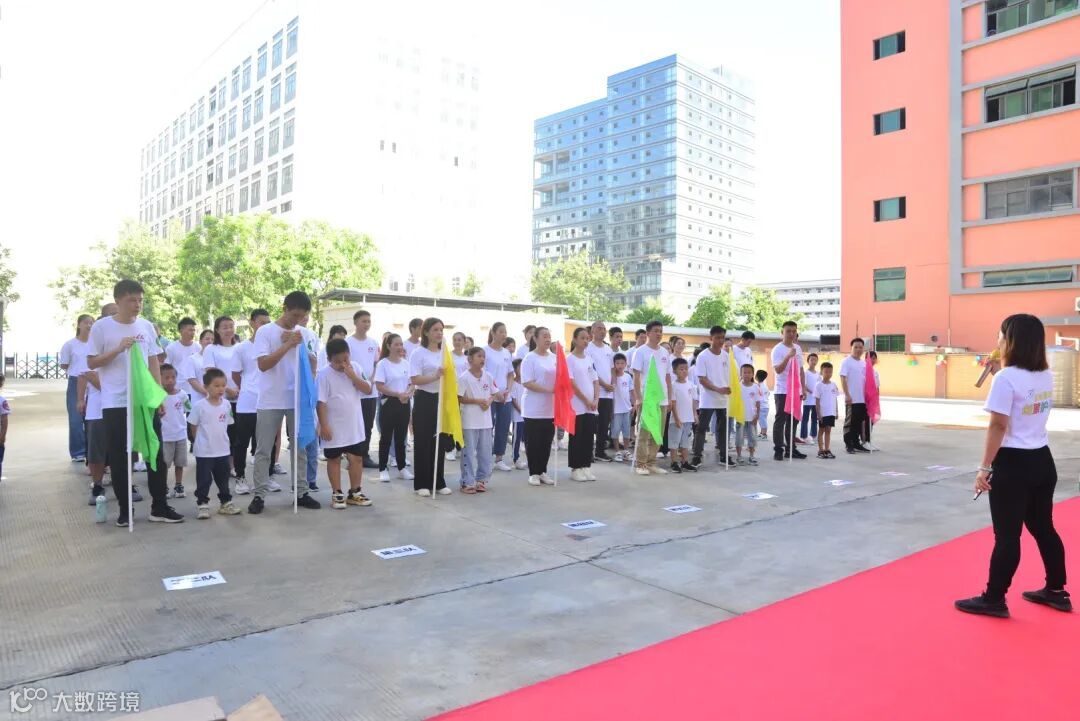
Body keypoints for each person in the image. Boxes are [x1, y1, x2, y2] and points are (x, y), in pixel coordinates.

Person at [955, 314, 1070, 618]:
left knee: (1007, 536)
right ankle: (1057, 590)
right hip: (1042, 460)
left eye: (1000, 335)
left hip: (1013, 464)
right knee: (1044, 528)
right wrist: (999, 374)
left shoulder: (1006, 378)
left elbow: (998, 425)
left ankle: (994, 598)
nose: (997, 340)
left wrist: (984, 467)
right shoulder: (1045, 374)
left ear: (1011, 341)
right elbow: (1023, 402)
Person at [86, 280, 183, 526]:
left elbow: (153, 363)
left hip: (144, 400)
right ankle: (124, 509)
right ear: (118, 300)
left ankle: (159, 506)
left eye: (140, 300)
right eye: (132, 300)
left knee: (155, 452)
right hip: (115, 401)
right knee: (121, 456)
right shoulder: (102, 327)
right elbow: (92, 362)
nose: (137, 305)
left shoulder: (146, 326)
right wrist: (118, 349)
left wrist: (158, 395)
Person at [248, 291, 321, 514]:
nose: (297, 320)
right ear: (285, 308)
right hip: (270, 399)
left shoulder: (305, 333)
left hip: (297, 398)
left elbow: (313, 364)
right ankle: (259, 494)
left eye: (302, 316)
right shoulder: (265, 332)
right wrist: (287, 345)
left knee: (300, 447)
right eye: (294, 315)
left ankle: (301, 491)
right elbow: (263, 365)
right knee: (264, 449)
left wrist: (302, 348)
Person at [316, 337, 374, 509]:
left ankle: (355, 492)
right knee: (334, 459)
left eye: (345, 359)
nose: (342, 364)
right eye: (337, 361)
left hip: (354, 424)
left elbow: (368, 389)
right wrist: (324, 425)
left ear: (349, 355)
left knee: (356, 458)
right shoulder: (323, 374)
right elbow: (321, 402)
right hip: (333, 425)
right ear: (329, 360)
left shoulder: (356, 368)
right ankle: (337, 493)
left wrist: (353, 376)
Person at [186, 367, 241, 519]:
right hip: (204, 452)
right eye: (216, 386)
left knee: (223, 479)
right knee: (204, 480)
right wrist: (198, 441)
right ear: (206, 387)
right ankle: (203, 504)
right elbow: (193, 425)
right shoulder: (199, 406)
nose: (221, 389)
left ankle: (226, 503)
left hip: (222, 450)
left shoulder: (227, 405)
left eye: (223, 385)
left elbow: (227, 424)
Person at [409, 317, 454, 497]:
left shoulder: (444, 353)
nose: (439, 333)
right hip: (424, 399)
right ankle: (422, 483)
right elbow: (415, 379)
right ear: (426, 332)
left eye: (441, 330)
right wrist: (435, 376)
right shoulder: (418, 353)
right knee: (423, 441)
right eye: (435, 329)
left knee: (439, 441)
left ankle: (438, 481)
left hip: (441, 399)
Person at [231, 309, 271, 494]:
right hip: (247, 402)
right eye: (262, 322)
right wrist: (247, 387)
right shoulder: (241, 348)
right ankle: (240, 477)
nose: (265, 326)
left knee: (265, 443)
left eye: (268, 323)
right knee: (242, 443)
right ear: (252, 323)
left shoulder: (272, 347)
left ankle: (265, 478)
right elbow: (235, 374)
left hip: (267, 401)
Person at [631, 320, 673, 476]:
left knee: (658, 433)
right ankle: (641, 464)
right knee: (644, 433)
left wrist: (669, 398)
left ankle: (651, 463)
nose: (659, 334)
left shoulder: (665, 353)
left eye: (660, 331)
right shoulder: (640, 352)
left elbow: (667, 377)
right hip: (647, 398)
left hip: (662, 399)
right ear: (648, 333)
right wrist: (638, 397)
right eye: (655, 331)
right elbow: (636, 376)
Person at [202, 317, 242, 475]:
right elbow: (211, 373)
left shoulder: (239, 347)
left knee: (235, 433)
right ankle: (216, 464)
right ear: (217, 330)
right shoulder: (211, 349)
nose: (229, 330)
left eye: (231, 326)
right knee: (219, 432)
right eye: (224, 327)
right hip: (219, 399)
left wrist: (239, 388)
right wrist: (227, 389)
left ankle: (232, 466)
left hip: (240, 397)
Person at [692, 326, 736, 469]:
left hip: (723, 399)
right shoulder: (703, 356)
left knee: (723, 428)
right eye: (717, 338)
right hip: (708, 398)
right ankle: (697, 456)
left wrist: (729, 389)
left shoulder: (726, 356)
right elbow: (702, 379)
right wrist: (718, 389)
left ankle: (724, 455)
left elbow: (730, 376)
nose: (720, 341)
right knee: (702, 428)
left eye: (722, 338)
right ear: (711, 338)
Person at [374, 333, 414, 481]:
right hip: (389, 402)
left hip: (404, 402)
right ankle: (383, 468)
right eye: (396, 344)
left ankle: (402, 467)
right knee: (386, 436)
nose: (399, 347)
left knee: (401, 437)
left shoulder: (406, 364)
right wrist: (397, 394)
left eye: (401, 344)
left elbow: (412, 383)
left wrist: (407, 394)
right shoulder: (383, 364)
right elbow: (379, 386)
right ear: (388, 346)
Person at [520, 327, 557, 486]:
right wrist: (549, 390)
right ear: (535, 338)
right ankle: (533, 472)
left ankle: (542, 471)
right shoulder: (529, 358)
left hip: (550, 408)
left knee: (546, 441)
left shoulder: (554, 358)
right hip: (533, 408)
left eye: (549, 336)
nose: (548, 339)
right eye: (544, 336)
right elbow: (527, 382)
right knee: (534, 442)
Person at [345, 311, 381, 470]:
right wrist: (356, 380)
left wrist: (371, 380)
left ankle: (364, 455)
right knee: (353, 425)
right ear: (355, 322)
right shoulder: (348, 342)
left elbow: (376, 364)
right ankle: (351, 456)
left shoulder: (373, 343)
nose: (366, 324)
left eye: (368, 321)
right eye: (363, 321)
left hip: (370, 391)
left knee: (367, 425)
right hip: (354, 391)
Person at [458, 346, 495, 493]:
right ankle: (467, 482)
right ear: (470, 359)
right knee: (468, 452)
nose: (482, 359)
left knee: (485, 452)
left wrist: (488, 402)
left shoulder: (488, 376)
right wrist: (478, 401)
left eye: (483, 356)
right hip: (469, 421)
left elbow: (493, 393)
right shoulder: (464, 378)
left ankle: (481, 479)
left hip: (485, 421)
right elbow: (459, 398)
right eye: (479, 356)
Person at [566, 327, 599, 482]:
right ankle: (576, 468)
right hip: (577, 405)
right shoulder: (570, 359)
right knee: (576, 437)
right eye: (582, 338)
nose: (586, 341)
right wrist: (586, 400)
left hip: (591, 406)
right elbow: (571, 383)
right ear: (575, 339)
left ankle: (586, 466)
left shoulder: (589, 358)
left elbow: (595, 380)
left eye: (587, 338)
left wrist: (596, 399)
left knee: (588, 436)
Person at [771, 320, 807, 461]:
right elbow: (778, 370)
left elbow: (801, 370)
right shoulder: (777, 349)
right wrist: (788, 356)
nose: (791, 334)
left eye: (794, 331)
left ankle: (791, 449)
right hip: (783, 390)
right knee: (781, 420)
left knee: (793, 420)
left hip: (796, 391)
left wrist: (803, 388)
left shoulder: (798, 348)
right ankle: (778, 449)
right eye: (788, 331)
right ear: (782, 333)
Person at [60, 314, 94, 462]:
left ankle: (91, 450)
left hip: (93, 381)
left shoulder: (95, 344)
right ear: (79, 325)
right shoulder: (70, 345)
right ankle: (78, 451)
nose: (89, 325)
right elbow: (64, 364)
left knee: (92, 418)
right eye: (86, 323)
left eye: (92, 323)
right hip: (75, 380)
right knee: (75, 418)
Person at [485, 322, 516, 473]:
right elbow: (484, 374)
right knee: (487, 428)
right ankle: (486, 459)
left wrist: (508, 390)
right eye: (501, 332)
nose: (504, 335)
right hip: (489, 396)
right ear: (493, 332)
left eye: (505, 332)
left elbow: (510, 374)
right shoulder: (485, 351)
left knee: (503, 427)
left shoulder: (506, 353)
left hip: (505, 397)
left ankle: (499, 458)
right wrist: (495, 391)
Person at [586, 320, 615, 463]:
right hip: (594, 392)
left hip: (608, 394)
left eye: (604, 329)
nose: (602, 331)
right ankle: (588, 452)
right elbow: (591, 370)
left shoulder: (608, 349)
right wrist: (603, 384)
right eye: (599, 328)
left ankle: (600, 451)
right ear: (592, 331)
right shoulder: (588, 348)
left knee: (604, 424)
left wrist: (612, 384)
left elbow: (612, 369)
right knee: (591, 424)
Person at [159, 364, 189, 498]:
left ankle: (178, 485)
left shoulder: (183, 395)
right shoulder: (158, 395)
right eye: (166, 378)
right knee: (164, 464)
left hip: (181, 435)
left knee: (180, 463)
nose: (170, 380)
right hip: (165, 436)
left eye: (173, 377)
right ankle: (163, 486)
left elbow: (188, 410)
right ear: (160, 378)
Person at [840, 338, 871, 454]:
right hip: (851, 399)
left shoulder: (864, 363)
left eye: (860, 347)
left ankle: (856, 443)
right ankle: (848, 444)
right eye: (856, 347)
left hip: (862, 399)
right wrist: (847, 395)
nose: (858, 349)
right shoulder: (846, 361)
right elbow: (843, 378)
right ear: (851, 348)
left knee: (858, 422)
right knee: (850, 422)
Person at [668, 358, 698, 473]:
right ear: (674, 371)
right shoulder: (673, 386)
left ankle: (685, 462)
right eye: (681, 369)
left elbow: (693, 401)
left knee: (685, 442)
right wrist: (676, 418)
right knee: (674, 442)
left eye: (686, 369)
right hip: (677, 419)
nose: (684, 371)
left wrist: (695, 414)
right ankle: (674, 462)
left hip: (688, 419)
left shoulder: (691, 385)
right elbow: (673, 403)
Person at [734, 364, 760, 466]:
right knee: (739, 438)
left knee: (752, 438)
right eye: (744, 372)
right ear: (741, 374)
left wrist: (757, 415)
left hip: (752, 417)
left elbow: (758, 402)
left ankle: (751, 456)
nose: (747, 374)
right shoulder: (738, 386)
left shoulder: (756, 387)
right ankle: (739, 456)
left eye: (749, 372)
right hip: (740, 417)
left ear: (753, 374)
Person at [815, 362, 840, 459]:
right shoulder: (818, 385)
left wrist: (836, 411)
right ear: (821, 372)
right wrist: (818, 414)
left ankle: (827, 449)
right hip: (823, 413)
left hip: (831, 412)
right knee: (821, 430)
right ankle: (820, 450)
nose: (828, 374)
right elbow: (817, 401)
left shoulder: (833, 384)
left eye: (830, 372)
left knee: (828, 430)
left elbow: (835, 398)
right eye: (826, 372)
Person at [181, 330, 216, 399]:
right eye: (207, 339)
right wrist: (208, 393)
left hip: (217, 399)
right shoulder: (192, 359)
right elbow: (192, 380)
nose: (210, 341)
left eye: (213, 339)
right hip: (199, 399)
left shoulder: (217, 358)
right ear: (200, 341)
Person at [799, 353, 821, 445]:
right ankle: (804, 435)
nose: (813, 361)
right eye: (811, 360)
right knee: (805, 418)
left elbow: (820, 385)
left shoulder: (818, 374)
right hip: (807, 399)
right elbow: (803, 384)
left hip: (815, 400)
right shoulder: (805, 373)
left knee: (814, 418)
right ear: (808, 361)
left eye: (815, 360)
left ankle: (813, 435)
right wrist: (810, 391)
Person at [509, 358, 527, 469]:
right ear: (515, 369)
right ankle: (516, 459)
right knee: (517, 438)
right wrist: (521, 410)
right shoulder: (514, 384)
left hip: (527, 415)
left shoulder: (526, 383)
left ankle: (530, 459)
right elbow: (513, 400)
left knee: (527, 439)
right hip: (518, 416)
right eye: (520, 367)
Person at [864, 350, 881, 451]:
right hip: (866, 399)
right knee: (866, 421)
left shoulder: (875, 372)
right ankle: (865, 441)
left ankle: (869, 440)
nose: (873, 360)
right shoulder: (863, 370)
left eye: (874, 358)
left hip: (873, 400)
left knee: (871, 421)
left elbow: (877, 387)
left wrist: (877, 398)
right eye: (871, 358)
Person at [755, 369, 771, 440]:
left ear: (756, 377)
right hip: (766, 406)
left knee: (762, 420)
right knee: (762, 420)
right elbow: (768, 394)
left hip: (761, 406)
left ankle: (764, 434)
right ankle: (762, 433)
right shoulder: (765, 385)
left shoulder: (758, 386)